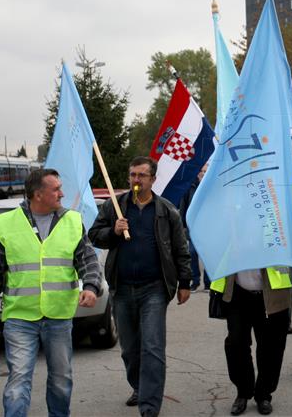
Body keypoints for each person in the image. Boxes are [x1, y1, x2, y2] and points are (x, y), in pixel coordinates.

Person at [0, 169, 101, 417]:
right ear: (38, 194)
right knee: (18, 380)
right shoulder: (7, 224)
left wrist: (90, 286)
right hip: (19, 317)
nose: (62, 193)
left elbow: (88, 260)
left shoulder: (72, 221)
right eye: (56, 189)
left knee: (60, 380)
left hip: (58, 316)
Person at [89, 156, 191, 417]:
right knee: (131, 350)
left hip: (154, 289)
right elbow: (94, 235)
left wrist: (185, 282)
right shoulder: (116, 206)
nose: (136, 180)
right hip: (122, 289)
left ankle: (149, 405)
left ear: (153, 179)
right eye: (133, 175)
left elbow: (181, 249)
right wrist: (113, 230)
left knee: (153, 347)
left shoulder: (167, 211)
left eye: (141, 176)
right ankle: (139, 386)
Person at [211, 267, 292, 416]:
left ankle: (264, 395)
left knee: (270, 347)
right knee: (236, 343)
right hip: (238, 293)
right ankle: (243, 392)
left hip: (272, 294)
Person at [179, 162, 210, 291]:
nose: (202, 174)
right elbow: (183, 207)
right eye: (201, 171)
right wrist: (183, 226)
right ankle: (195, 281)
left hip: (208, 228)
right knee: (191, 253)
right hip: (193, 228)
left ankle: (208, 283)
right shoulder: (190, 187)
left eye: (205, 171)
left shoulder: (211, 186)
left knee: (207, 255)